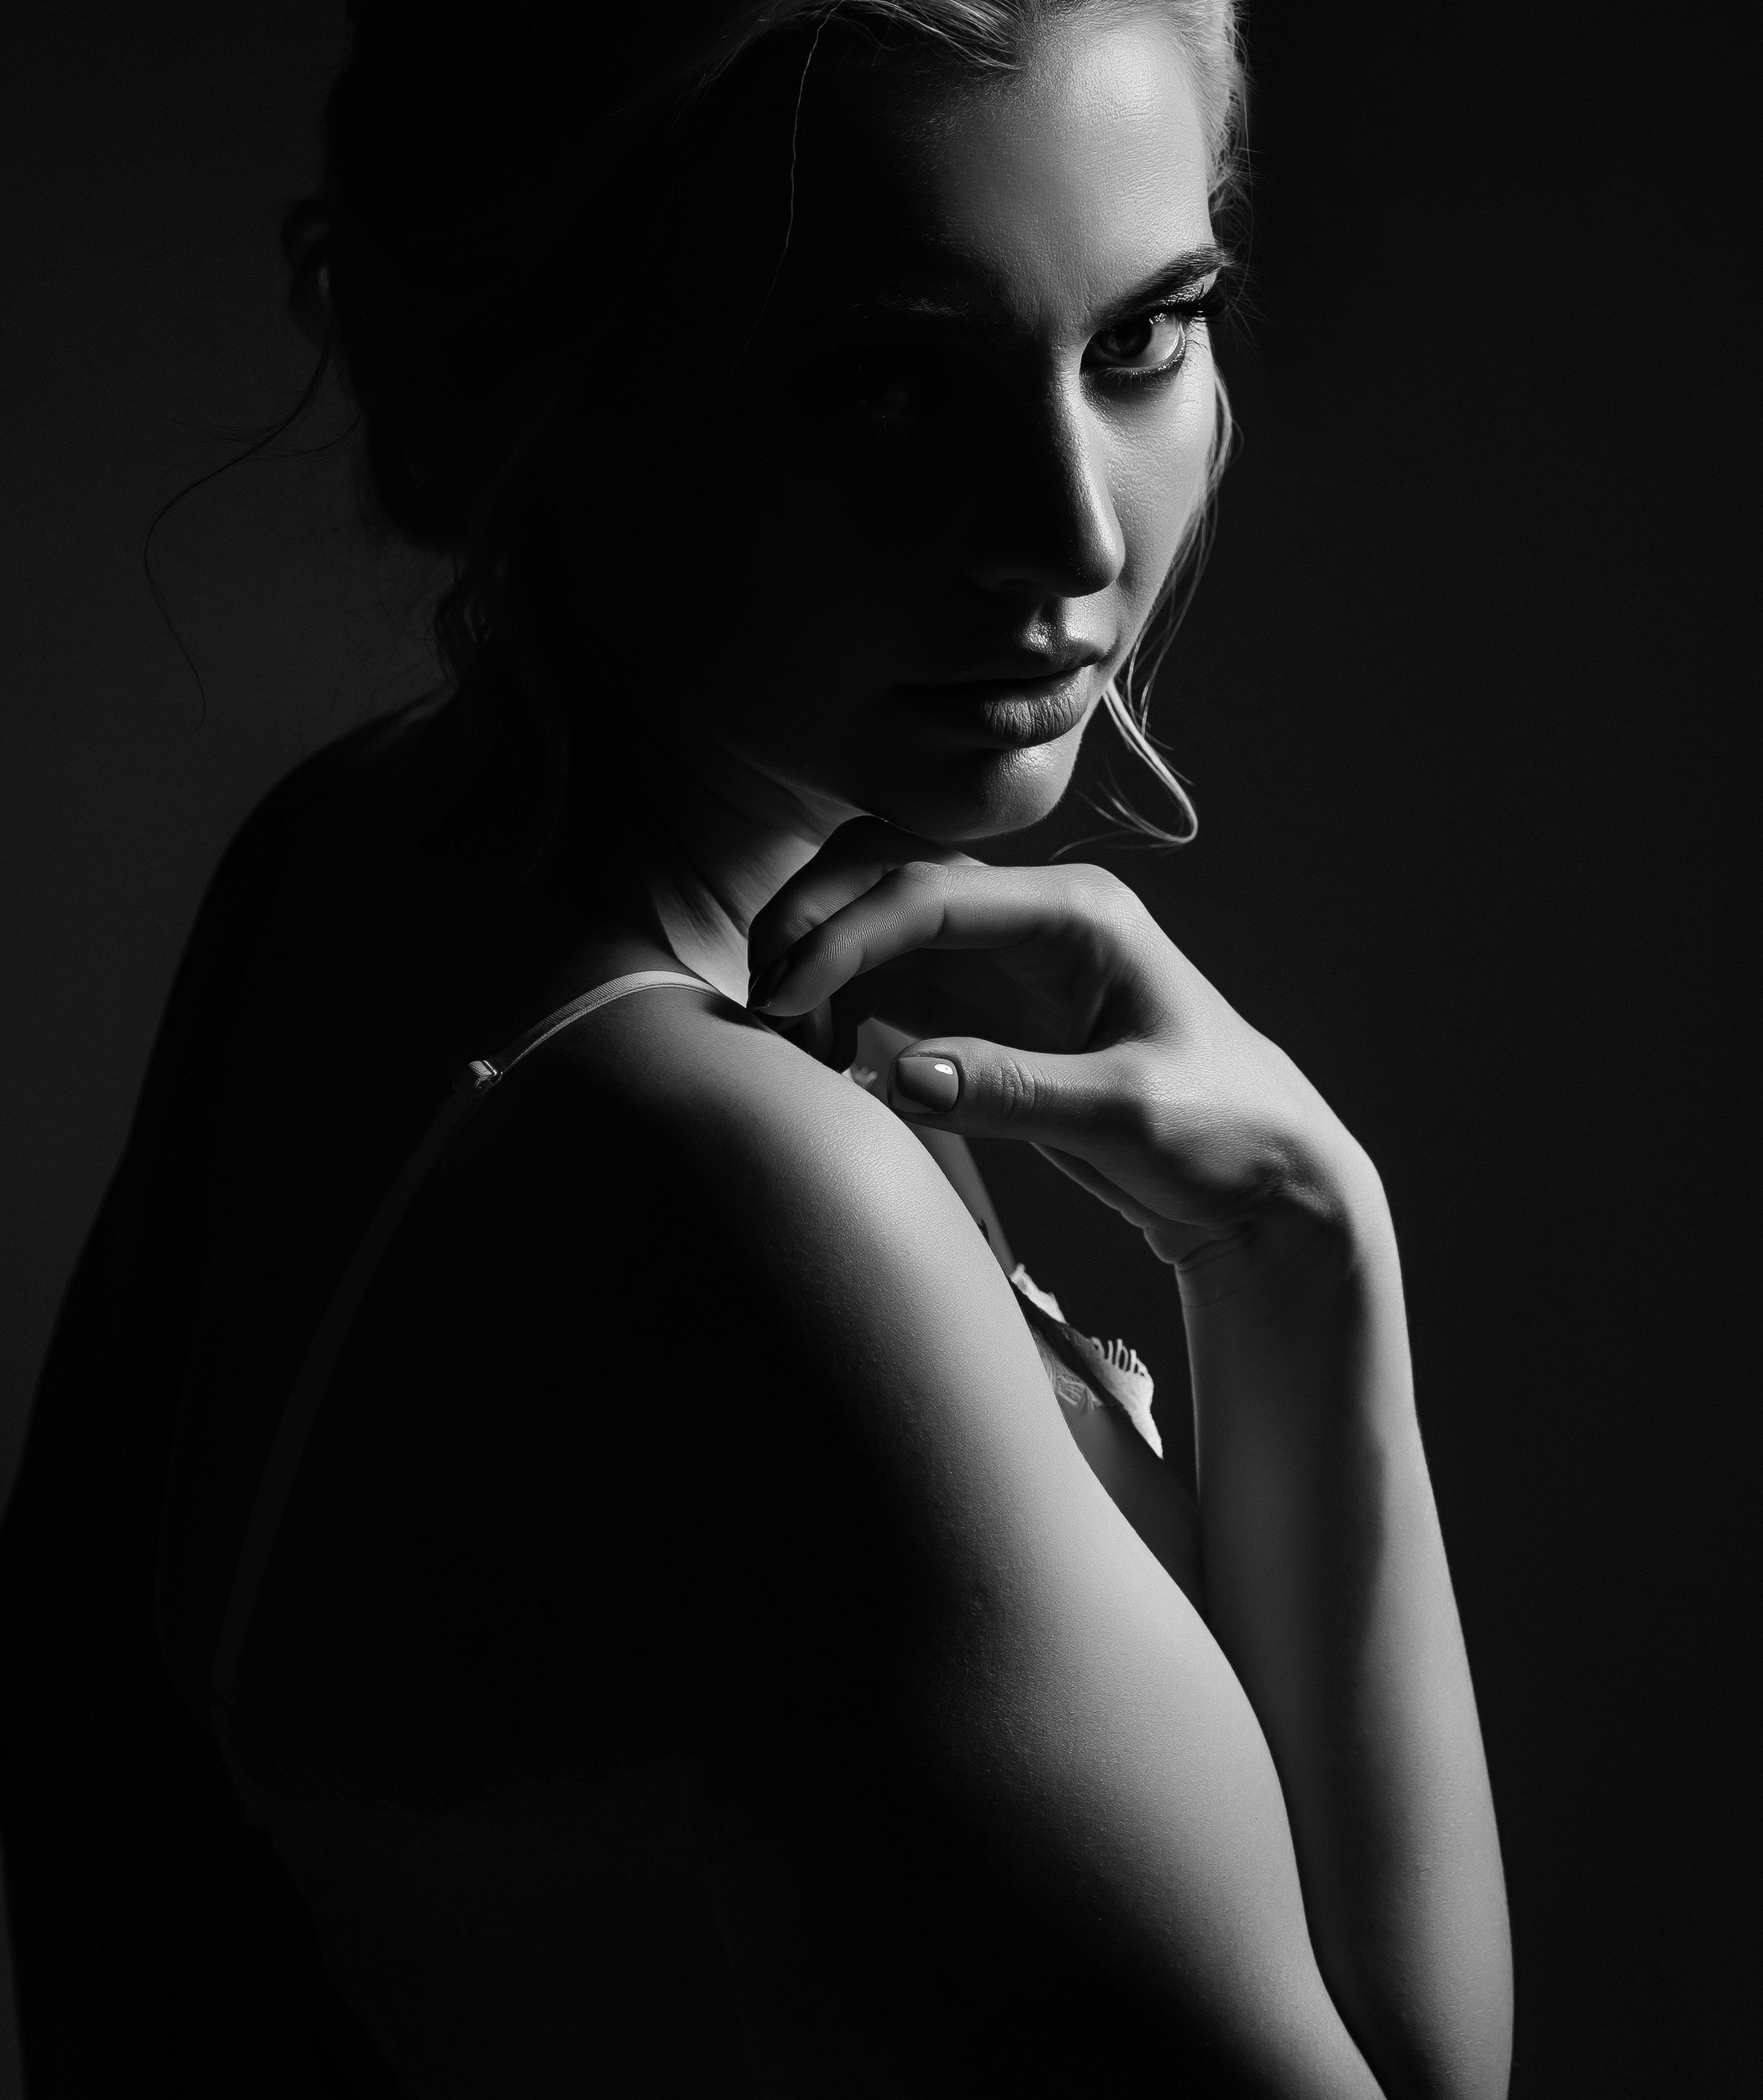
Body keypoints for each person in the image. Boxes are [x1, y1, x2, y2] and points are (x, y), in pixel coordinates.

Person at [0, 2, 1513, 2092]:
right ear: (525, 376)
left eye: (1143, 336)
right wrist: (1305, 1254)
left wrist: (1295, 1241)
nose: (1074, 536)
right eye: (883, 377)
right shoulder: (740, 1187)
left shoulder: (357, 858)